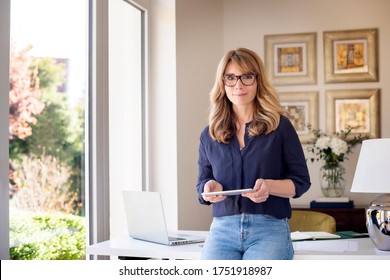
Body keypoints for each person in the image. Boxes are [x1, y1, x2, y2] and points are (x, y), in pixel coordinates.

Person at [196, 47, 311, 260]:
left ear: (258, 81)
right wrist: (208, 189)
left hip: (269, 230)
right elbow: (203, 182)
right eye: (230, 77)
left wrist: (270, 186)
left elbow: (301, 182)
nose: (238, 85)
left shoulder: (280, 127)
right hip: (222, 230)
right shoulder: (209, 134)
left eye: (246, 77)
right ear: (222, 83)